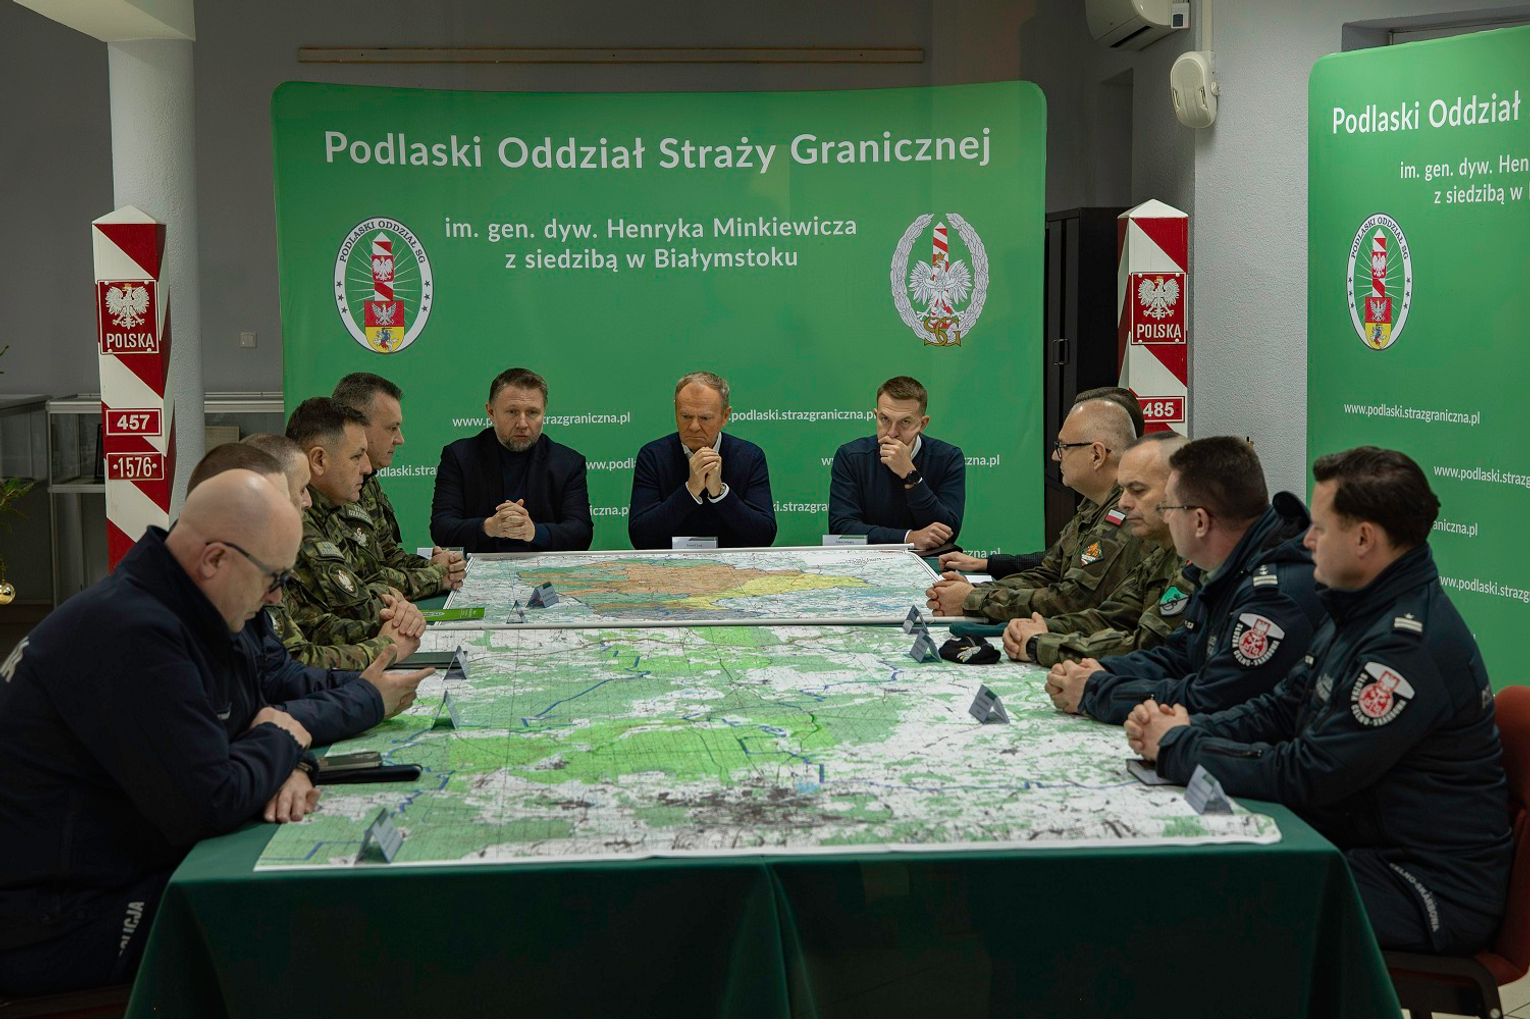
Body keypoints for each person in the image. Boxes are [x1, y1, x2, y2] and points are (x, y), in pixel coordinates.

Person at [1126, 447, 1512, 955]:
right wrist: (1189, 727)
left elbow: (1309, 773)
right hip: (1363, 843)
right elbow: (1281, 707)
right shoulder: (1359, 607)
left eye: (1322, 529)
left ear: (1364, 540)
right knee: (1188, 856)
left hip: (1422, 884)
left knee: (1211, 901)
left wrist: (1181, 747)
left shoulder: (1405, 649)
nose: (1307, 540)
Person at [0, 471, 316, 996]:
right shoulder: (133, 631)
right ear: (214, 560)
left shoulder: (187, 610)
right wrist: (283, 742)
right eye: (274, 577)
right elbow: (210, 802)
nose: (278, 597)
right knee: (287, 926)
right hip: (49, 922)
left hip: (96, 879)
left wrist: (292, 761)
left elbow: (249, 723)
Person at [1044, 436, 1325, 724]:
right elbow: (1180, 656)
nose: (1166, 519)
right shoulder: (1224, 567)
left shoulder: (1274, 597)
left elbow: (1212, 699)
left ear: (1200, 522)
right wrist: (1104, 671)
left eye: (1169, 508)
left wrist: (1097, 691)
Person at [188, 442, 433, 745]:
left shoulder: (234, 578)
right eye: (301, 490)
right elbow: (239, 732)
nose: (308, 501)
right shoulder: (159, 626)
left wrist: (366, 686)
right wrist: (367, 689)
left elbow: (279, 672)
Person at [926, 398, 1146, 620]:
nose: (1055, 456)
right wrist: (976, 591)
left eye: (1063, 447)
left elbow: (1071, 600)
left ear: (1096, 455)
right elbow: (1047, 575)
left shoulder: (1125, 514)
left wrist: (974, 600)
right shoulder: (1094, 504)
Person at [1002, 431, 1198, 666]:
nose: (1123, 503)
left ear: (1178, 492)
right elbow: (1110, 617)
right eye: (1122, 490)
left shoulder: (1197, 562)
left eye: (1138, 490)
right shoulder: (1161, 556)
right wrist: (1039, 628)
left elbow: (1146, 648)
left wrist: (1039, 644)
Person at [245, 433, 425, 670]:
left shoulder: (265, 553)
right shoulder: (247, 566)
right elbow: (293, 661)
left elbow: (308, 625)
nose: (308, 501)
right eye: (301, 490)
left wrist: (384, 624)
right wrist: (385, 647)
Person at [285, 398, 428, 653]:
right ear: (319, 460)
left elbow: (322, 620)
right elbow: (355, 609)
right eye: (356, 456)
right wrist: (386, 642)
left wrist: (388, 603)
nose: (366, 467)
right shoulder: (298, 523)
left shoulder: (331, 509)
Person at [430, 367, 593, 552]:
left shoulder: (568, 463)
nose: (522, 423)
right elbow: (441, 528)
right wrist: (489, 527)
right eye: (512, 412)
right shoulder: (459, 456)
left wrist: (534, 532)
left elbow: (581, 533)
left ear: (544, 413)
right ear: (491, 412)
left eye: (532, 412)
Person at [332, 372, 465, 596]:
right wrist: (435, 576)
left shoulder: (367, 481)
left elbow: (388, 554)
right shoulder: (328, 490)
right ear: (357, 427)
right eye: (391, 428)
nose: (400, 439)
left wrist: (433, 564)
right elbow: (361, 579)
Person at [629, 371, 776, 548]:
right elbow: (640, 537)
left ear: (725, 416)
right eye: (686, 416)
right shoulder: (652, 456)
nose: (694, 427)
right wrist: (690, 490)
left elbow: (764, 536)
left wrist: (720, 493)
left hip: (731, 564)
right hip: (669, 563)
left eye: (705, 418)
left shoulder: (750, 457)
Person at [827, 375, 964, 550]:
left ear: (922, 424)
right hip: (864, 560)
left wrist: (909, 473)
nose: (891, 433)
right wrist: (908, 538)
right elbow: (840, 532)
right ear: (876, 415)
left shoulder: (948, 458)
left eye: (904, 422)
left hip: (927, 560)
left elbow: (948, 533)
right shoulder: (851, 456)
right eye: (885, 419)